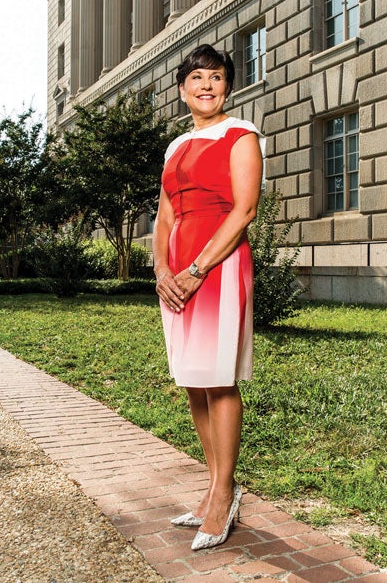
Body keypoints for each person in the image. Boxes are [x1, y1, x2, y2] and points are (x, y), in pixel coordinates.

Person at [153, 44, 264, 551]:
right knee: (194, 382)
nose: (206, 85)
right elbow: (164, 218)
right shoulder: (176, 146)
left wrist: (197, 269)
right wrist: (162, 270)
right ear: (182, 89)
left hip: (218, 265)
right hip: (176, 273)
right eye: (197, 78)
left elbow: (244, 211)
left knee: (218, 380)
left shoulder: (241, 135)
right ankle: (215, 485)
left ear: (227, 87)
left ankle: (222, 496)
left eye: (216, 77)